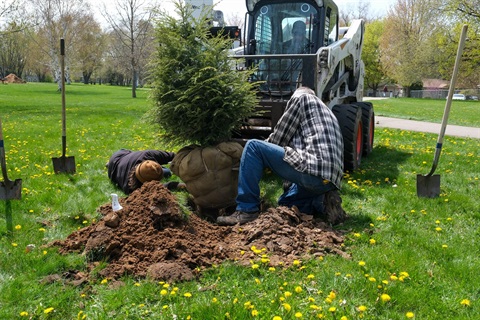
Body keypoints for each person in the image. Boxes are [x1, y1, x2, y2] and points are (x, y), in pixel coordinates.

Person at [217, 87, 347, 226]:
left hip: (313, 168)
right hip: (329, 180)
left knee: (253, 146)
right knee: (286, 203)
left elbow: (278, 139)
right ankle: (321, 203)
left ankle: (246, 210)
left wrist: (248, 160)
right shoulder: (326, 111)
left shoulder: (301, 98)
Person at [107, 149, 183, 194]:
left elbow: (172, 156)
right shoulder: (131, 188)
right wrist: (175, 185)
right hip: (114, 164)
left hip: (121, 154)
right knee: (167, 172)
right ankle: (109, 164)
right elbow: (156, 189)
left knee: (165, 172)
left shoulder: (148, 154)